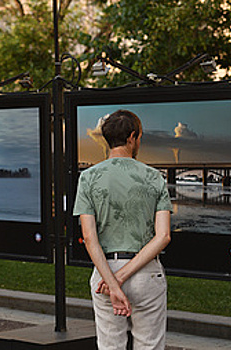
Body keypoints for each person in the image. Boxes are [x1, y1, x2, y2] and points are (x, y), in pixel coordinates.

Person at [73, 110, 172, 350]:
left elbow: (89, 237)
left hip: (104, 274)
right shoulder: (155, 178)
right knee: (149, 346)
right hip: (146, 273)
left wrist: (113, 282)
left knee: (110, 346)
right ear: (132, 137)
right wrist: (123, 276)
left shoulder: (88, 178)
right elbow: (163, 236)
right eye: (139, 137)